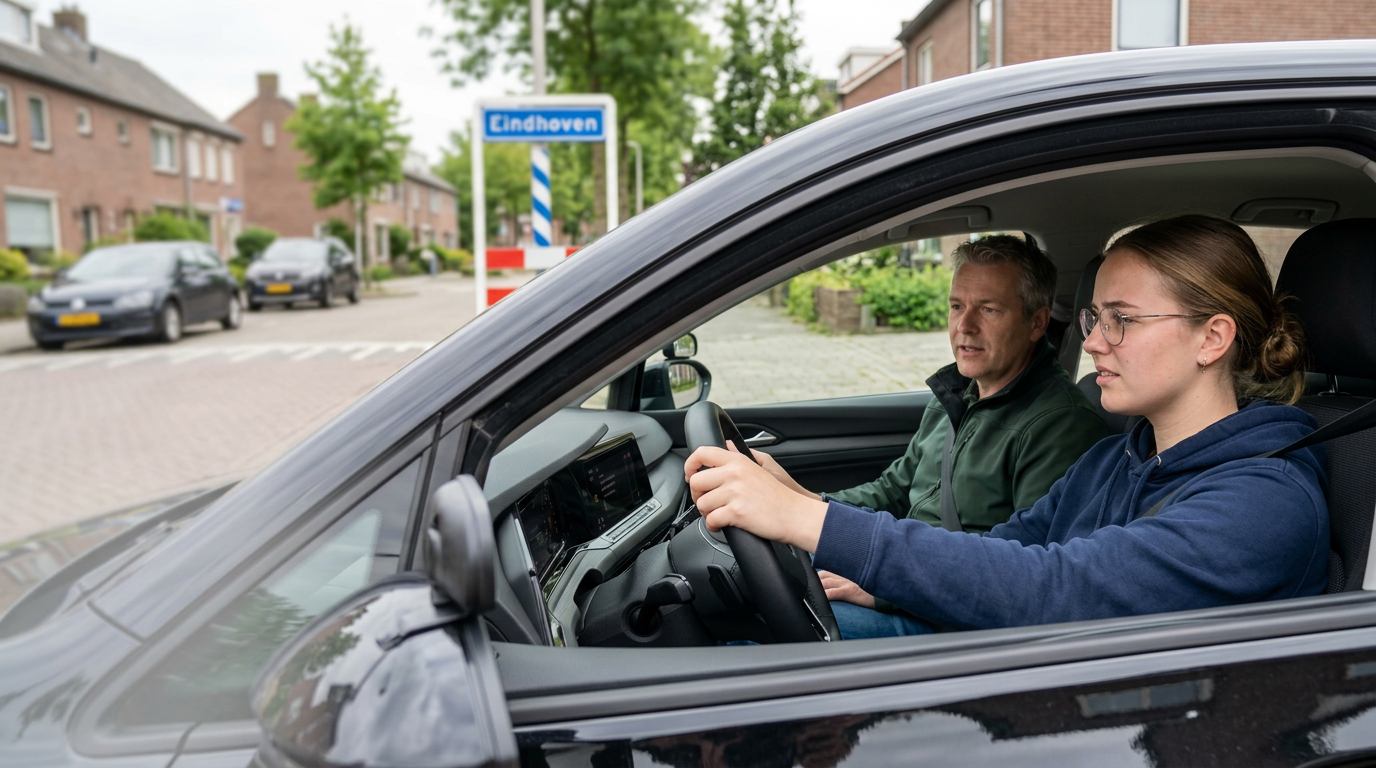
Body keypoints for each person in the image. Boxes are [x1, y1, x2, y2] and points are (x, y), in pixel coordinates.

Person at [688, 215, 1329, 638]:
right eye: (1094, 318)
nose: (1097, 343)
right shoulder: (1118, 460)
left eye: (1122, 320)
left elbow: (1056, 590)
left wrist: (811, 522)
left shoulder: (1264, 502)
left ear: (1212, 338)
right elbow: (1012, 548)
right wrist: (867, 573)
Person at [753, 235, 1109, 637]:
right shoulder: (957, 394)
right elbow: (894, 490)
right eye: (957, 306)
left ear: (1037, 322)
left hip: (946, 619)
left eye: (988, 309)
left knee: (760, 633)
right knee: (749, 593)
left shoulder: (1060, 425)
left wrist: (883, 588)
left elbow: (1025, 571)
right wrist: (804, 499)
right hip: (903, 574)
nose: (964, 326)